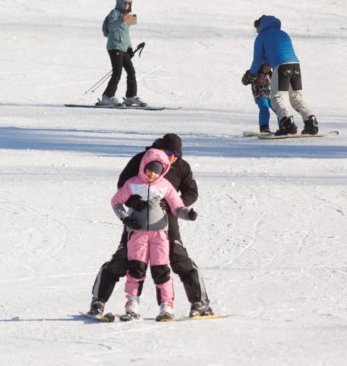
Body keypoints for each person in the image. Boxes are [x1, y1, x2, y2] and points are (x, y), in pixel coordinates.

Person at [88, 133, 213, 318]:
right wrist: (132, 203)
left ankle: (200, 302)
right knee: (124, 260)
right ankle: (98, 301)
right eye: (169, 152)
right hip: (137, 219)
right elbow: (123, 185)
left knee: (178, 258)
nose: (172, 158)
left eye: (177, 155)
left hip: (166, 219)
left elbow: (192, 192)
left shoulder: (182, 166)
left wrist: (173, 205)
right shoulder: (142, 160)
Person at [110, 148, 197, 320]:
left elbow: (177, 207)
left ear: (162, 172)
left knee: (161, 270)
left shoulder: (165, 186)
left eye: (156, 172)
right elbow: (116, 202)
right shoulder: (132, 184)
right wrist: (125, 219)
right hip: (137, 234)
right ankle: (132, 304)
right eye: (149, 170)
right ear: (144, 166)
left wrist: (188, 214)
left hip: (159, 235)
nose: (151, 175)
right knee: (136, 268)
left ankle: (166, 306)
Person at [242, 15, 318, 135]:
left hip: (281, 66)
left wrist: (250, 75)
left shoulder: (261, 37)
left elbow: (257, 61)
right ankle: (311, 123)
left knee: (276, 98)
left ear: (260, 25)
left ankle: (288, 125)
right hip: (295, 65)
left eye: (256, 28)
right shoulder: (283, 34)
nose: (256, 31)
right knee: (296, 98)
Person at [98, 0, 143, 106]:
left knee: (131, 72)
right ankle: (107, 97)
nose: (127, 5)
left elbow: (127, 34)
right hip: (114, 46)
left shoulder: (129, 16)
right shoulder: (114, 13)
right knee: (117, 72)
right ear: (119, 2)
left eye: (129, 3)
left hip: (123, 47)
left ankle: (131, 97)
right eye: (125, 3)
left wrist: (130, 48)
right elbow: (111, 27)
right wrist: (121, 19)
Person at [244, 61, 273, 134]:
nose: (268, 69)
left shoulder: (270, 73)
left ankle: (284, 126)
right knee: (264, 108)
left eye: (269, 68)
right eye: (266, 67)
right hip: (260, 95)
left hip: (271, 96)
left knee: (279, 109)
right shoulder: (255, 72)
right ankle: (264, 128)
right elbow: (244, 81)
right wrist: (249, 76)